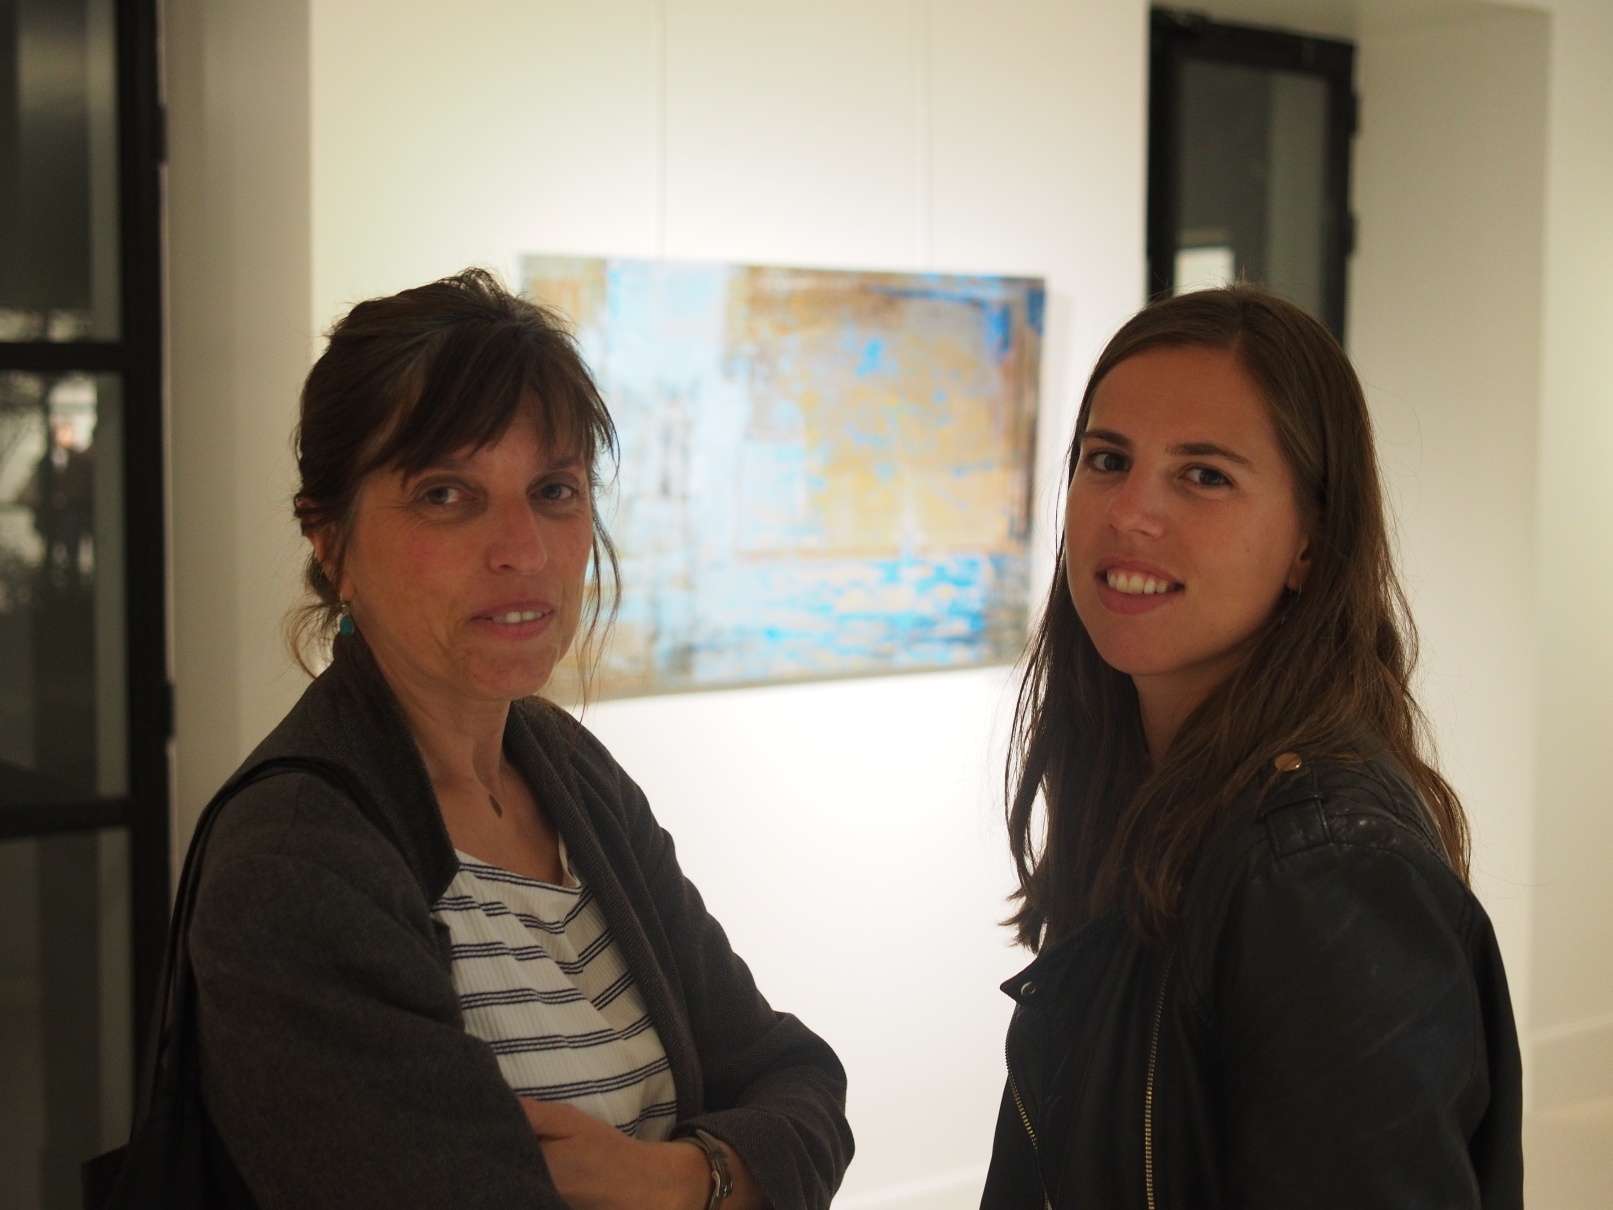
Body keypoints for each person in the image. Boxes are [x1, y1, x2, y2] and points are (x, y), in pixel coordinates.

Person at [187, 269, 853, 1210]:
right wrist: (731, 1175)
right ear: (330, 542)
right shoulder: (296, 861)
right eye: (445, 495)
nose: (524, 551)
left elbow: (800, 1080)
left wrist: (665, 1180)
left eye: (553, 490)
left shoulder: (570, 774)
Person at [981, 287, 1522, 1209]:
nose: (1130, 513)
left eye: (1203, 475)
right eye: (1107, 460)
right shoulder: (1148, 797)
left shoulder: (1321, 870)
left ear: (1311, 542)